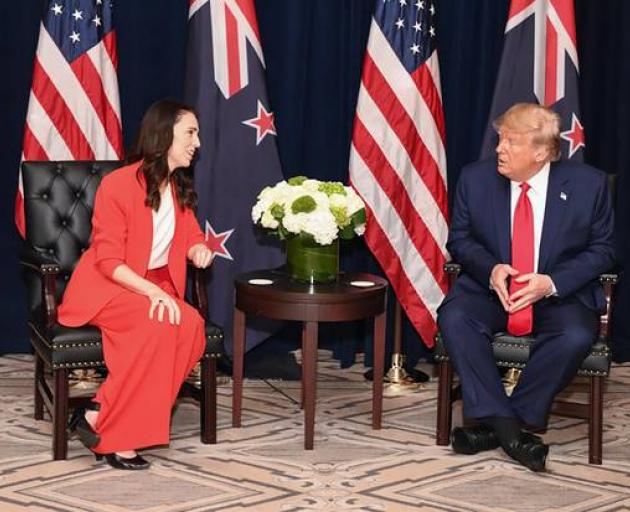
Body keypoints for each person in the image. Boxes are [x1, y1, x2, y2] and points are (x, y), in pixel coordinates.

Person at [437, 103, 615, 472]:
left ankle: (495, 428)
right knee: (455, 317)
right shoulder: (475, 178)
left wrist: (551, 282)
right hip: (493, 291)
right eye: (500, 139)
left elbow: (605, 250)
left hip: (555, 294)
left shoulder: (589, 185)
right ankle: (512, 433)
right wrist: (491, 269)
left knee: (575, 335)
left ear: (542, 151)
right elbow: (460, 239)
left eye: (511, 142)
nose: (499, 148)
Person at [58, 99, 213, 470]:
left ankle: (97, 412)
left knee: (191, 327)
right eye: (190, 132)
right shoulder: (118, 185)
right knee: (157, 325)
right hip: (108, 285)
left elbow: (190, 234)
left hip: (151, 284)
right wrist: (154, 292)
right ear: (164, 136)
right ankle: (118, 440)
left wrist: (198, 249)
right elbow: (109, 261)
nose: (198, 142)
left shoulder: (177, 188)